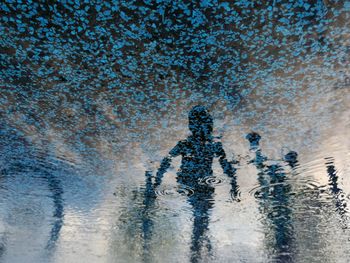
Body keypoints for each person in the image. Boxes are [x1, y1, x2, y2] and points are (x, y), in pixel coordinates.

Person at [153, 105, 239, 262]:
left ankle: (200, 253)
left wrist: (157, 180)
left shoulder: (197, 144)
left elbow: (166, 161)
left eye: (205, 124)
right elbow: (226, 166)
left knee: (201, 220)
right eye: (203, 124)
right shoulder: (202, 144)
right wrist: (234, 185)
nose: (203, 128)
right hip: (195, 186)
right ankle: (201, 253)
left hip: (195, 185)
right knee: (201, 220)